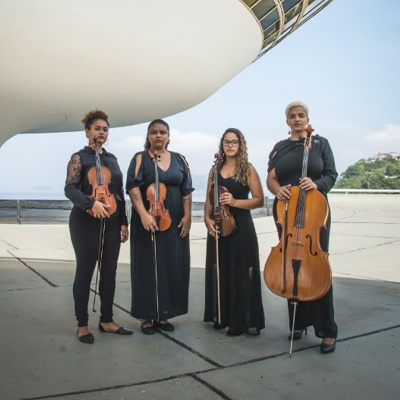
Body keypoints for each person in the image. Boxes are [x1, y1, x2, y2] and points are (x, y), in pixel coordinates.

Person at [266, 101, 338, 353]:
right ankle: (296, 323)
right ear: (287, 121)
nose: (297, 120)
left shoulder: (320, 143)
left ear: (307, 119)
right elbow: (271, 178)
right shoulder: (280, 147)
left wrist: (316, 184)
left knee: (317, 267)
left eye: (301, 116)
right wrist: (278, 190)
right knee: (290, 264)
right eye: (292, 116)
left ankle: (327, 330)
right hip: (286, 213)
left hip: (315, 214)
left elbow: (331, 174)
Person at [65, 109, 132, 344]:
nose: (101, 132)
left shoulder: (112, 160)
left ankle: (107, 320)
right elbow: (70, 189)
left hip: (112, 221)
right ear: (87, 131)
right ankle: (82, 324)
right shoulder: (79, 158)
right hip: (85, 220)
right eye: (96, 128)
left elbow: (119, 193)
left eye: (105, 129)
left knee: (109, 272)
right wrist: (89, 203)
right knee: (85, 271)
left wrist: (124, 221)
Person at [126, 119, 194, 334]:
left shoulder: (180, 159)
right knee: (147, 265)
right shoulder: (140, 158)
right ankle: (147, 316)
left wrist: (188, 216)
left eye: (162, 132)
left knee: (173, 263)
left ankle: (165, 313)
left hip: (174, 218)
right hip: (148, 219)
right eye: (153, 132)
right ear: (148, 136)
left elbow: (187, 189)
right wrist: (144, 215)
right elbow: (133, 188)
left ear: (168, 135)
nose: (158, 135)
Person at [203, 128, 265, 336]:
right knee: (221, 270)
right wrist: (207, 219)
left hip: (241, 227)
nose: (230, 145)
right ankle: (222, 316)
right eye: (226, 142)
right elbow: (209, 199)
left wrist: (235, 201)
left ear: (241, 145)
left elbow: (259, 200)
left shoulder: (247, 169)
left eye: (234, 142)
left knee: (240, 272)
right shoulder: (215, 170)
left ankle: (241, 321)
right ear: (222, 145)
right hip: (219, 226)